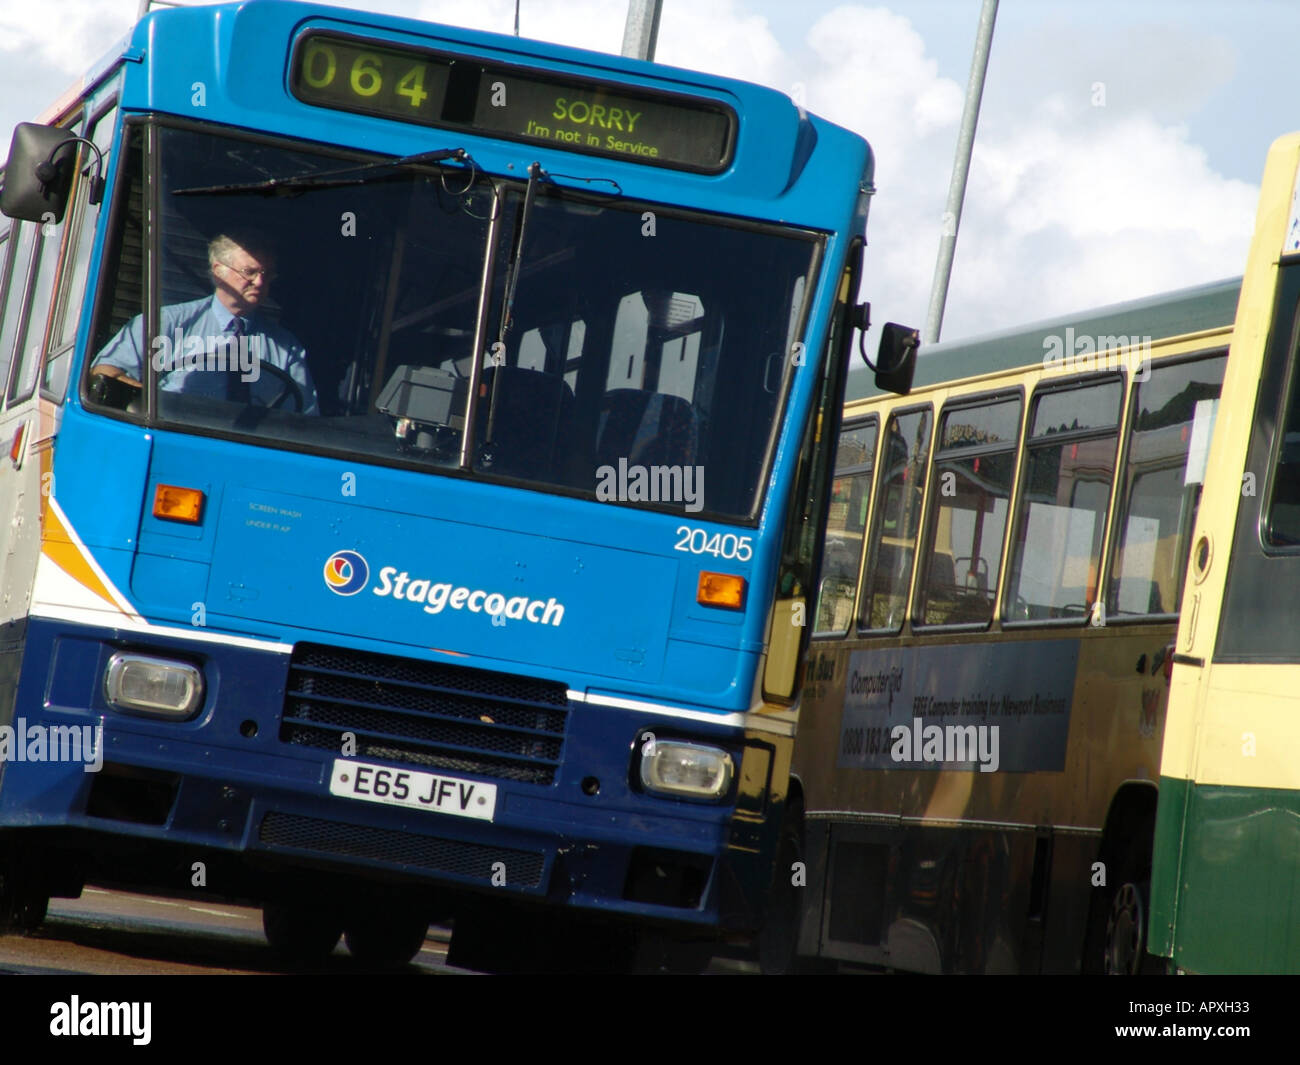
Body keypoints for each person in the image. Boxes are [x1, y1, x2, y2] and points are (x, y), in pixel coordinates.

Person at [90, 231, 320, 414]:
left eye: (266, 274)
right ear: (219, 271)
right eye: (250, 272)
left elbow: (304, 417)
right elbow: (105, 374)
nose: (260, 283)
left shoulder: (286, 347)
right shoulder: (163, 323)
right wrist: (164, 405)